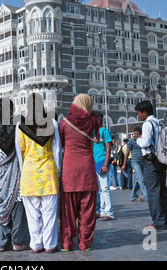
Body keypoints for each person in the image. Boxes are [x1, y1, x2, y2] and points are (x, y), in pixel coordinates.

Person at [16, 93, 62, 253]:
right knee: (49, 212)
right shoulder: (53, 123)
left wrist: (23, 172)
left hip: (29, 172)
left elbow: (20, 151)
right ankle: (50, 245)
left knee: (32, 213)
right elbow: (57, 151)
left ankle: (36, 244)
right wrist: (58, 170)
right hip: (48, 171)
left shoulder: (21, 126)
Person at [59, 94, 100, 252]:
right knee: (87, 211)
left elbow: (60, 145)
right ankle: (85, 244)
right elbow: (94, 119)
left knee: (68, 212)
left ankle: (66, 244)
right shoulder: (93, 121)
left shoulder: (64, 123)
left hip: (69, 171)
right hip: (88, 170)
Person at [0, 98, 29, 252]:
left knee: (1, 203)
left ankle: (1, 242)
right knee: (17, 202)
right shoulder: (18, 125)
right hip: (16, 168)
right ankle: (17, 241)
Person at [135, 101, 167, 230]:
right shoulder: (159, 122)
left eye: (139, 113)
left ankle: (158, 221)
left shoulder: (147, 124)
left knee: (153, 192)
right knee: (162, 190)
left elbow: (145, 142)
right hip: (161, 159)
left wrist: (138, 139)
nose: (138, 116)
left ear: (145, 113)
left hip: (151, 160)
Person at [93, 112, 115, 220]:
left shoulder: (105, 132)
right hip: (94, 163)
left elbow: (109, 149)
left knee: (105, 188)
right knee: (99, 190)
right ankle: (101, 211)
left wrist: (106, 164)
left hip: (102, 162)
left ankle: (109, 212)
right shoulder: (93, 132)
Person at [124, 127, 148, 202]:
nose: (136, 135)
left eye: (138, 134)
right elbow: (127, 153)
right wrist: (124, 164)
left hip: (143, 161)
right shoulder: (131, 142)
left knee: (137, 179)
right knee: (141, 178)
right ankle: (147, 196)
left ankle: (133, 196)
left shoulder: (143, 141)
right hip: (135, 162)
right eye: (135, 134)